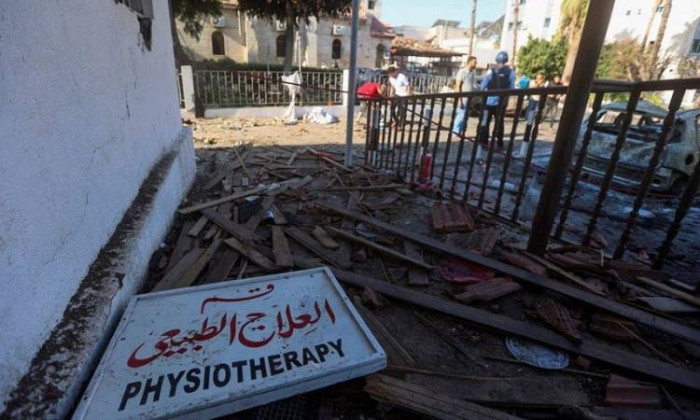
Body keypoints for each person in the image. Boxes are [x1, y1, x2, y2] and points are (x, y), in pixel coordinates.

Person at [478, 51, 515, 150]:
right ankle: (499, 143)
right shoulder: (510, 72)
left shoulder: (490, 71)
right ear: (506, 60)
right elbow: (512, 88)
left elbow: (483, 86)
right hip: (501, 101)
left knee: (486, 122)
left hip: (489, 101)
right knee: (499, 123)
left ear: (497, 59)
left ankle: (484, 143)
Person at [452, 56, 478, 135]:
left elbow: (473, 86)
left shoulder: (472, 73)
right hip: (462, 99)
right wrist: (459, 99)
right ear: (469, 62)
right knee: (460, 116)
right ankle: (455, 133)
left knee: (465, 118)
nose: (476, 64)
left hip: (469, 99)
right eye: (474, 62)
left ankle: (460, 133)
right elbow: (457, 86)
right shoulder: (462, 72)